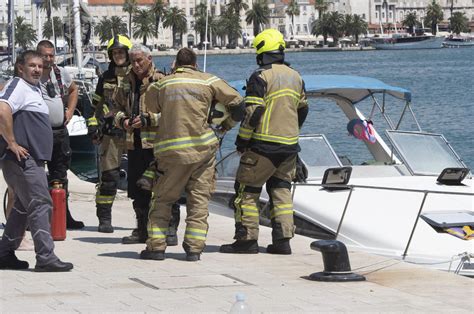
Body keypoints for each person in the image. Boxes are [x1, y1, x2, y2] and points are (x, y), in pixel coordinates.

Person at [140, 47, 244, 261]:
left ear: (175, 64)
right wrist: (225, 126)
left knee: (162, 200)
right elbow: (239, 105)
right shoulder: (209, 81)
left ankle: (156, 248)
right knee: (199, 202)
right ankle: (194, 249)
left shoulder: (162, 84)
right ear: (195, 64)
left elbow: (150, 107)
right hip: (203, 151)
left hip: (171, 153)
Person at [220, 29, 308, 255]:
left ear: (261, 51)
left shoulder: (260, 76)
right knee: (281, 191)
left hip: (263, 145)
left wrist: (242, 140)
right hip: (289, 146)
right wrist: (292, 131)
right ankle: (283, 241)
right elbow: (303, 109)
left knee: (246, 191)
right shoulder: (296, 76)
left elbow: (253, 111)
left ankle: (247, 240)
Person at [0, 50, 73, 271]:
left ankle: (4, 254)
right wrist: (11, 142)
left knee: (23, 207)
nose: (37, 70)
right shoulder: (17, 85)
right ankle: (45, 256)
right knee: (41, 203)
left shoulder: (32, 89)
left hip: (33, 159)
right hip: (23, 160)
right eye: (32, 65)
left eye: (40, 66)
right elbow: (2, 109)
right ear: (20, 67)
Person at [114, 44, 180, 245]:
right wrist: (122, 120)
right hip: (134, 144)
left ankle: (170, 230)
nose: (135, 65)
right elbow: (113, 108)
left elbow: (173, 111)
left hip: (157, 145)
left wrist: (149, 119)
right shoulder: (125, 82)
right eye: (132, 61)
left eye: (139, 60)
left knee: (165, 189)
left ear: (149, 59)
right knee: (138, 190)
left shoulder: (161, 80)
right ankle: (142, 229)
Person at [36, 40, 84, 230]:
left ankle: (63, 215)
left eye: (51, 55)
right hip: (38, 134)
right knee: (37, 177)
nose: (48, 59)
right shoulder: (32, 73)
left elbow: (73, 90)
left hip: (59, 132)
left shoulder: (60, 73)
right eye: (44, 55)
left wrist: (70, 111)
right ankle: (37, 217)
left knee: (60, 175)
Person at [87, 35, 131, 233]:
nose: (118, 55)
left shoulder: (136, 73)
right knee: (109, 177)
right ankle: (104, 218)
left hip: (135, 132)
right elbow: (96, 104)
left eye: (121, 52)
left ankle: (144, 220)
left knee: (144, 176)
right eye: (114, 53)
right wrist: (93, 125)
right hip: (111, 133)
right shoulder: (106, 76)